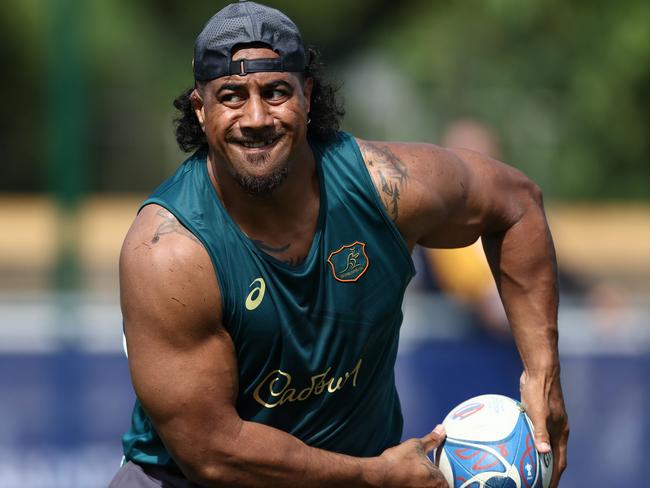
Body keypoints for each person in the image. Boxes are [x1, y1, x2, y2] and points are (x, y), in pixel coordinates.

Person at [110, 1, 569, 487]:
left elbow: (516, 204)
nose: (256, 117)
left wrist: (542, 378)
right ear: (200, 111)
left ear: (307, 95)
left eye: (276, 91)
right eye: (231, 96)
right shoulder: (170, 252)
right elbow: (214, 454)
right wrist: (375, 477)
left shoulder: (384, 189)